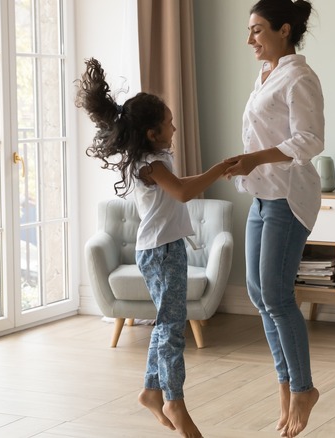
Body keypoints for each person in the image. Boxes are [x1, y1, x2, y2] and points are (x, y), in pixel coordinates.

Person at [76, 58, 234, 438]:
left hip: (166, 248)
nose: (175, 127)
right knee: (171, 329)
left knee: (167, 324)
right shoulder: (149, 163)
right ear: (151, 133)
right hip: (161, 252)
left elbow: (178, 186)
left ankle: (151, 391)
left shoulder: (153, 158)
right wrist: (218, 169)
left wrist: (218, 169)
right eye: (168, 123)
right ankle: (174, 401)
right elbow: (182, 193)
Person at [223, 1, 324, 437]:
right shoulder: (266, 74)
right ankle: (285, 384)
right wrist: (248, 165)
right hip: (261, 196)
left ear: (285, 30)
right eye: (249, 30)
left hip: (287, 196)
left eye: (258, 30)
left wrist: (253, 158)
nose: (250, 40)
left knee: (278, 296)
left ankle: (304, 388)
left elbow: (309, 139)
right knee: (258, 293)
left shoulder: (300, 76)